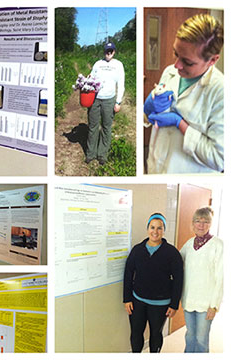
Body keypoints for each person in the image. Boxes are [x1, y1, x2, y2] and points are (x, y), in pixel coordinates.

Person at [144, 14, 224, 174]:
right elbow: (154, 118)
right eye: (176, 54)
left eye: (187, 62)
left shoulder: (221, 92)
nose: (177, 65)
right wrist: (148, 109)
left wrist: (180, 124)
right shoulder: (169, 72)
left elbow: (219, 159)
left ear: (213, 60)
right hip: (155, 167)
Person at [123, 213, 183, 352]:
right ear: (147, 228)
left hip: (161, 304)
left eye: (159, 228)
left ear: (164, 230)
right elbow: (128, 274)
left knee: (156, 334)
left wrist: (174, 304)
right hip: (137, 301)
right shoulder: (137, 250)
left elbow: (178, 280)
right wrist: (127, 299)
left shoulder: (172, 253)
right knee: (136, 334)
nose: (155, 231)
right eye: (152, 227)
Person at [180, 207, 223, 353]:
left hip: (206, 304)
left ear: (210, 224)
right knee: (190, 336)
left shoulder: (218, 245)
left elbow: (221, 277)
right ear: (193, 223)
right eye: (198, 221)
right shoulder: (189, 244)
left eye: (205, 221)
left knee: (201, 339)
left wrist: (214, 305)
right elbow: (175, 263)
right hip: (189, 300)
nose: (201, 225)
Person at [86, 42, 125, 165]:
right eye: (107, 51)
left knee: (106, 127)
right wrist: (86, 80)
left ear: (114, 52)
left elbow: (121, 84)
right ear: (104, 52)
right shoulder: (98, 64)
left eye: (111, 51)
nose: (108, 53)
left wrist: (118, 102)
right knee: (93, 126)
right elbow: (91, 79)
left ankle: (102, 154)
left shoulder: (118, 65)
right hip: (95, 99)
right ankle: (90, 154)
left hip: (109, 100)